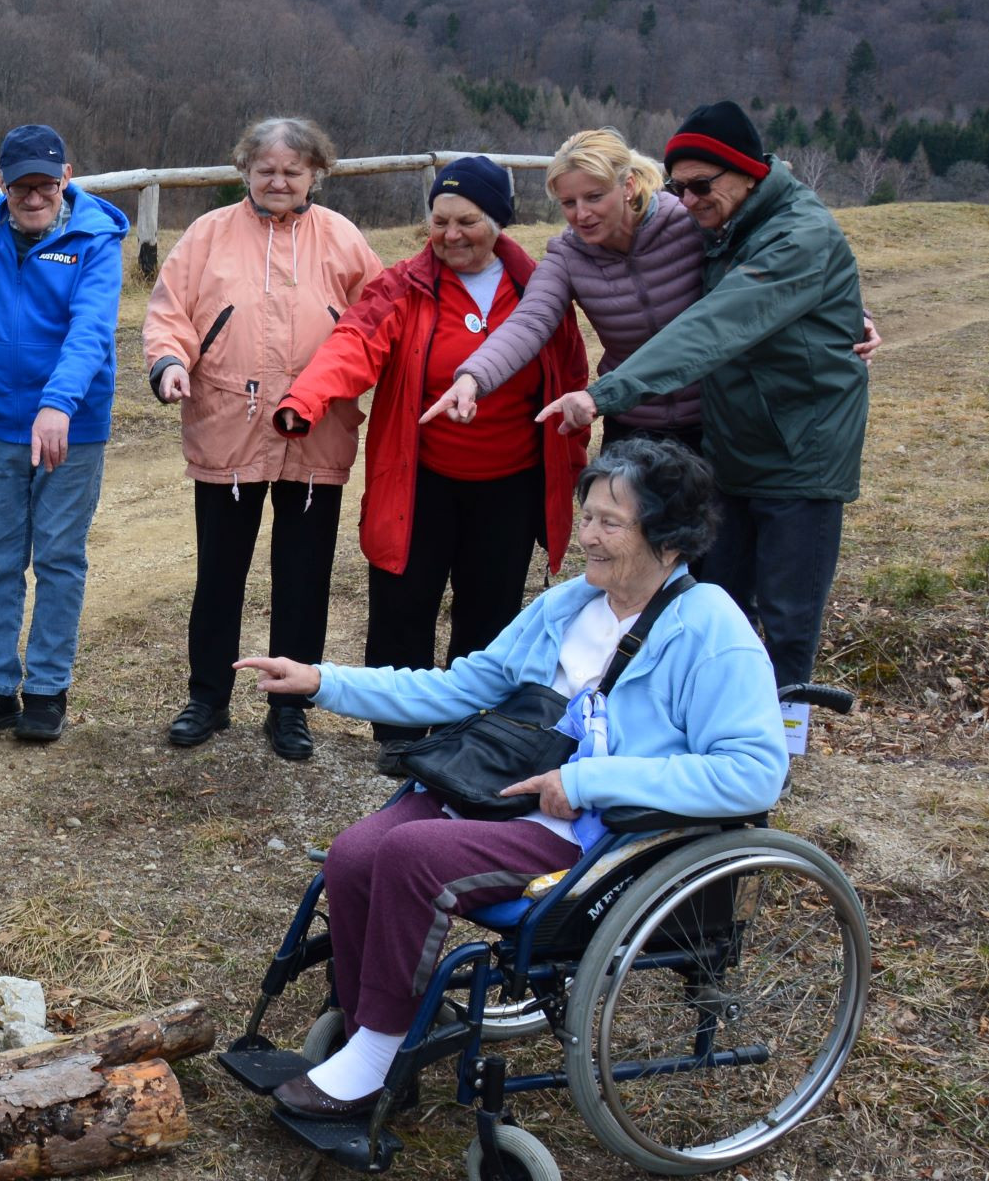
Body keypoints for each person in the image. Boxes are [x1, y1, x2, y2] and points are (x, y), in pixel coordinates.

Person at [237, 438, 787, 1118]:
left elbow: (754, 774)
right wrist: (321, 682)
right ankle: (371, 1033)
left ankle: (376, 1061)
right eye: (584, 516)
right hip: (496, 793)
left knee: (411, 859)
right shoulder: (566, 607)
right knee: (353, 855)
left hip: (593, 833)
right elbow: (457, 688)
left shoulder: (710, 631)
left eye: (609, 523)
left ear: (668, 541)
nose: (585, 536)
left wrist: (589, 783)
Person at [536, 101, 870, 687]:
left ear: (747, 171)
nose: (687, 202)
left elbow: (716, 323)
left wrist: (604, 393)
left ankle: (781, 749)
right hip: (731, 448)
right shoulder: (728, 225)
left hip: (800, 452)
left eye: (700, 186)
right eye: (679, 188)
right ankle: (719, 728)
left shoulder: (798, 234)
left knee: (790, 619)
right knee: (722, 605)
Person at [273, 158, 586, 757]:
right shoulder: (404, 286)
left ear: (499, 220)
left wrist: (571, 467)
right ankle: (398, 740)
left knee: (490, 615)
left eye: (467, 220)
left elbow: (569, 372)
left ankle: (467, 737)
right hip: (420, 482)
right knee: (401, 610)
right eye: (439, 221)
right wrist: (305, 399)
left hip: (512, 483)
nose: (451, 235)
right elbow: (355, 343)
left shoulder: (538, 290)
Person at [144, 116, 385, 762]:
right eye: (266, 169)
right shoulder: (207, 235)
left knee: (302, 580)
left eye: (292, 171)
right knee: (219, 576)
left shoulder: (342, 239)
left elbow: (375, 322)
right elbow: (169, 312)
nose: (278, 181)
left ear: (315, 174)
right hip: (226, 423)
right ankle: (207, 698)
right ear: (245, 170)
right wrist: (168, 363)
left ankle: (289, 707)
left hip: (316, 432)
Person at [0, 124, 129, 743]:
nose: (34, 196)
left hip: (71, 424)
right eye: (21, 186)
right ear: (0, 184)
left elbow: (91, 331)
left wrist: (58, 405)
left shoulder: (95, 238)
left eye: (45, 183)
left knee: (60, 558)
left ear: (66, 177)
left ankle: (46, 690)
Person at [424, 129, 710, 451]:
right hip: (633, 421)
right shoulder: (568, 255)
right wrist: (473, 378)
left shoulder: (690, 225)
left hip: (715, 419)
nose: (581, 214)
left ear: (627, 186)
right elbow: (530, 321)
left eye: (595, 196)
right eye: (568, 203)